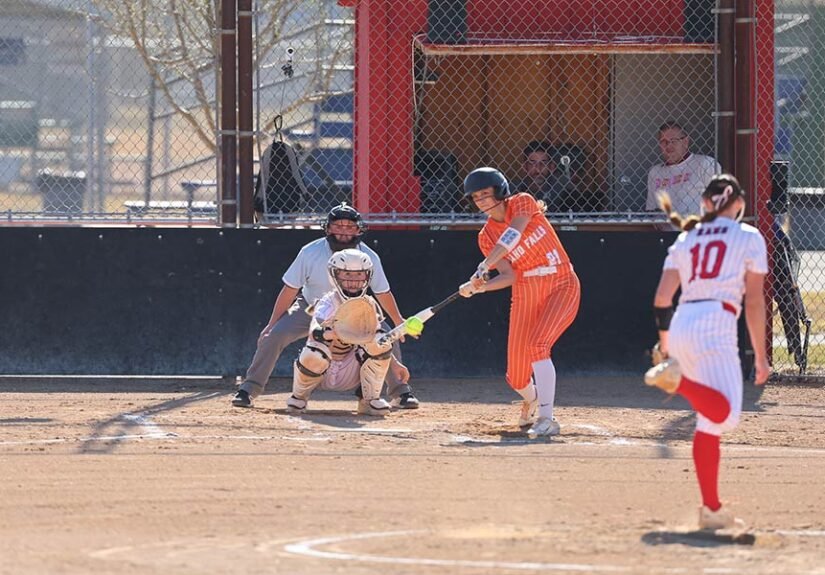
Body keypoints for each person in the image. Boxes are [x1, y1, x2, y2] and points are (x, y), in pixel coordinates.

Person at [646, 174, 770, 530]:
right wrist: (760, 356)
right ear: (739, 205)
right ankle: (678, 383)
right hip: (716, 321)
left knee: (708, 422)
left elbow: (661, 299)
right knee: (726, 414)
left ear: (703, 204)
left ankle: (712, 510)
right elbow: (755, 300)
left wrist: (666, 345)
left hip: (684, 321)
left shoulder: (687, 237)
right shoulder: (748, 235)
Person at [231, 203, 420, 409]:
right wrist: (271, 324)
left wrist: (398, 320)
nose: (344, 232)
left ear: (359, 230)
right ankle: (249, 389)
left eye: (350, 227)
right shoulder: (310, 251)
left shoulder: (370, 256)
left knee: (386, 337)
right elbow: (290, 289)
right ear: (328, 228)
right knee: (274, 336)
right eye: (338, 226)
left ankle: (401, 392)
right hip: (311, 308)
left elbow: (383, 292)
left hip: (355, 309)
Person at [458, 167, 581, 438]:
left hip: (560, 281)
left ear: (500, 191)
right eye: (476, 197)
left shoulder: (522, 202)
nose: (481, 201)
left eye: (486, 194)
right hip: (526, 290)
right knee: (516, 377)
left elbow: (513, 235)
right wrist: (479, 287)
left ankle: (547, 418)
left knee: (538, 345)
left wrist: (484, 265)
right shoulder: (485, 236)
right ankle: (533, 398)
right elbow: (510, 275)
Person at [286, 249, 410, 416]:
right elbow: (315, 332)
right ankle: (299, 397)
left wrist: (395, 365)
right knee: (313, 351)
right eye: (347, 275)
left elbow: (378, 341)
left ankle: (369, 400)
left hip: (352, 371)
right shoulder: (327, 301)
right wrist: (337, 333)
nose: (353, 281)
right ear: (334, 275)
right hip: (321, 370)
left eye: (359, 275)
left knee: (380, 339)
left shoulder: (369, 304)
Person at [645, 122, 721, 215]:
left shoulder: (705, 164)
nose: (668, 146)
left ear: (685, 142)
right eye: (664, 142)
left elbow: (720, 203)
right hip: (665, 228)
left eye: (674, 141)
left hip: (697, 227)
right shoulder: (655, 172)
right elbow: (651, 210)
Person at [511, 140, 589, 212]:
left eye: (544, 162)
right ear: (524, 167)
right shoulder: (515, 189)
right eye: (532, 163)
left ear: (551, 167)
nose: (538, 169)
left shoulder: (562, 187)